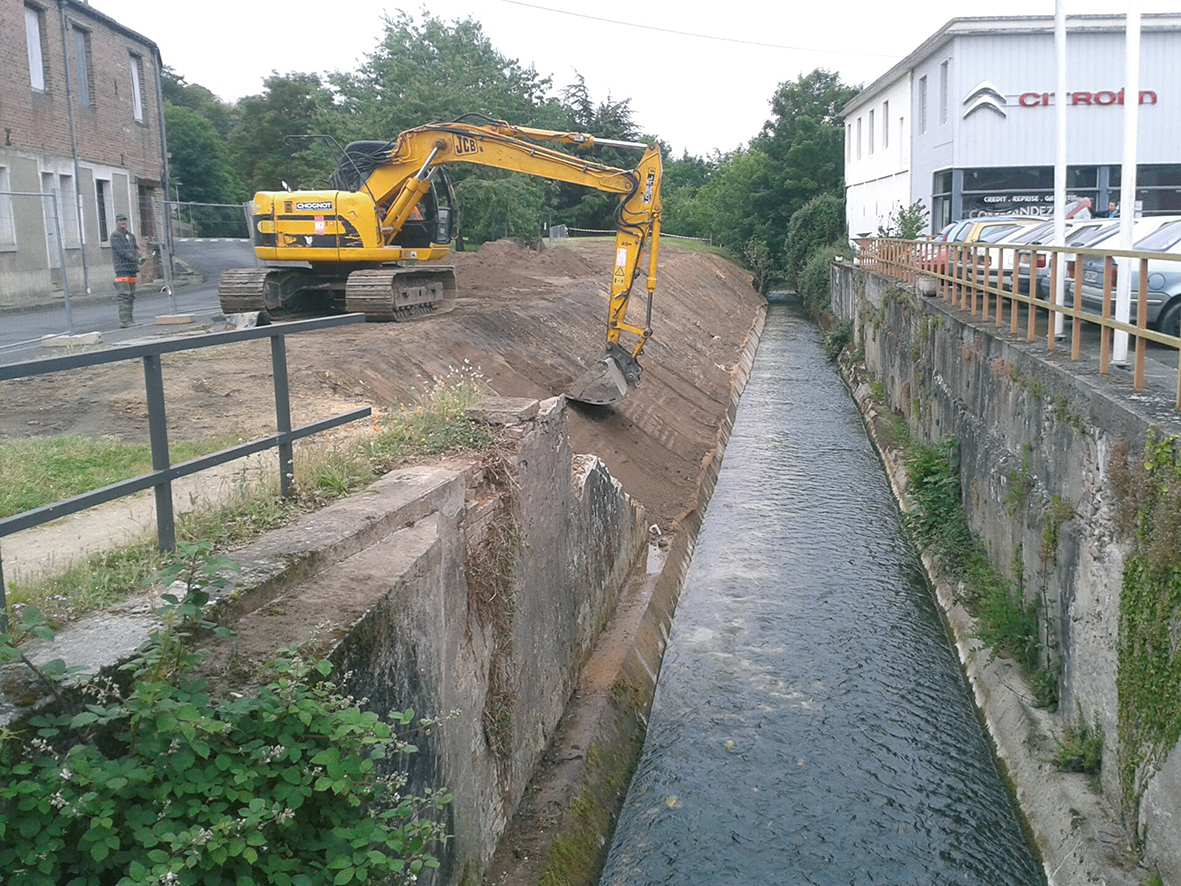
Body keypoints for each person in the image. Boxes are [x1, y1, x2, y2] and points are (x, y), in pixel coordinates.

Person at [110, 213, 144, 327]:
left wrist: (140, 256)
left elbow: (135, 249)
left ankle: (130, 320)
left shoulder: (131, 236)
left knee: (131, 296)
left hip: (131, 269)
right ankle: (124, 321)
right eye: (120, 220)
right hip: (122, 270)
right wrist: (136, 259)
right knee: (124, 296)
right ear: (117, 222)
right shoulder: (115, 236)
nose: (123, 222)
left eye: (125, 220)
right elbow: (122, 252)